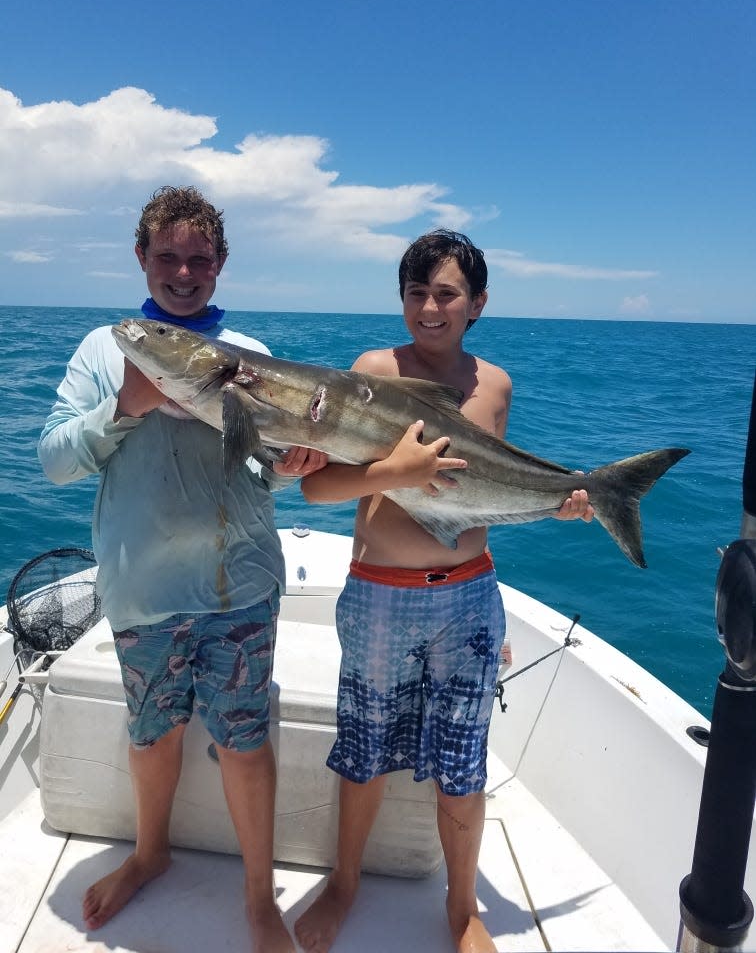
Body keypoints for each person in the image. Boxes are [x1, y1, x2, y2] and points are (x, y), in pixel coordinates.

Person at [38, 186, 326, 953]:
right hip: (144, 590)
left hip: (240, 584)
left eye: (200, 258)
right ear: (143, 258)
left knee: (243, 740)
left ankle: (260, 899)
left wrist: (296, 463)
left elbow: (271, 466)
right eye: (168, 256)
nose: (184, 271)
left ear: (221, 266)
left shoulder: (255, 358)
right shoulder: (107, 349)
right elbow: (54, 460)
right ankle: (149, 852)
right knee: (152, 733)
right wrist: (124, 405)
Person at [293, 229, 594, 953]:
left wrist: (559, 502)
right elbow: (317, 486)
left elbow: (491, 490)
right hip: (380, 595)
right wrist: (395, 474)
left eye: (447, 293)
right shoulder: (371, 371)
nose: (430, 307)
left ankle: (463, 910)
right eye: (416, 292)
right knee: (362, 753)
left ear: (477, 303)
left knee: (464, 761)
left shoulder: (495, 386)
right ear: (401, 299)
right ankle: (344, 885)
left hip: (468, 598)